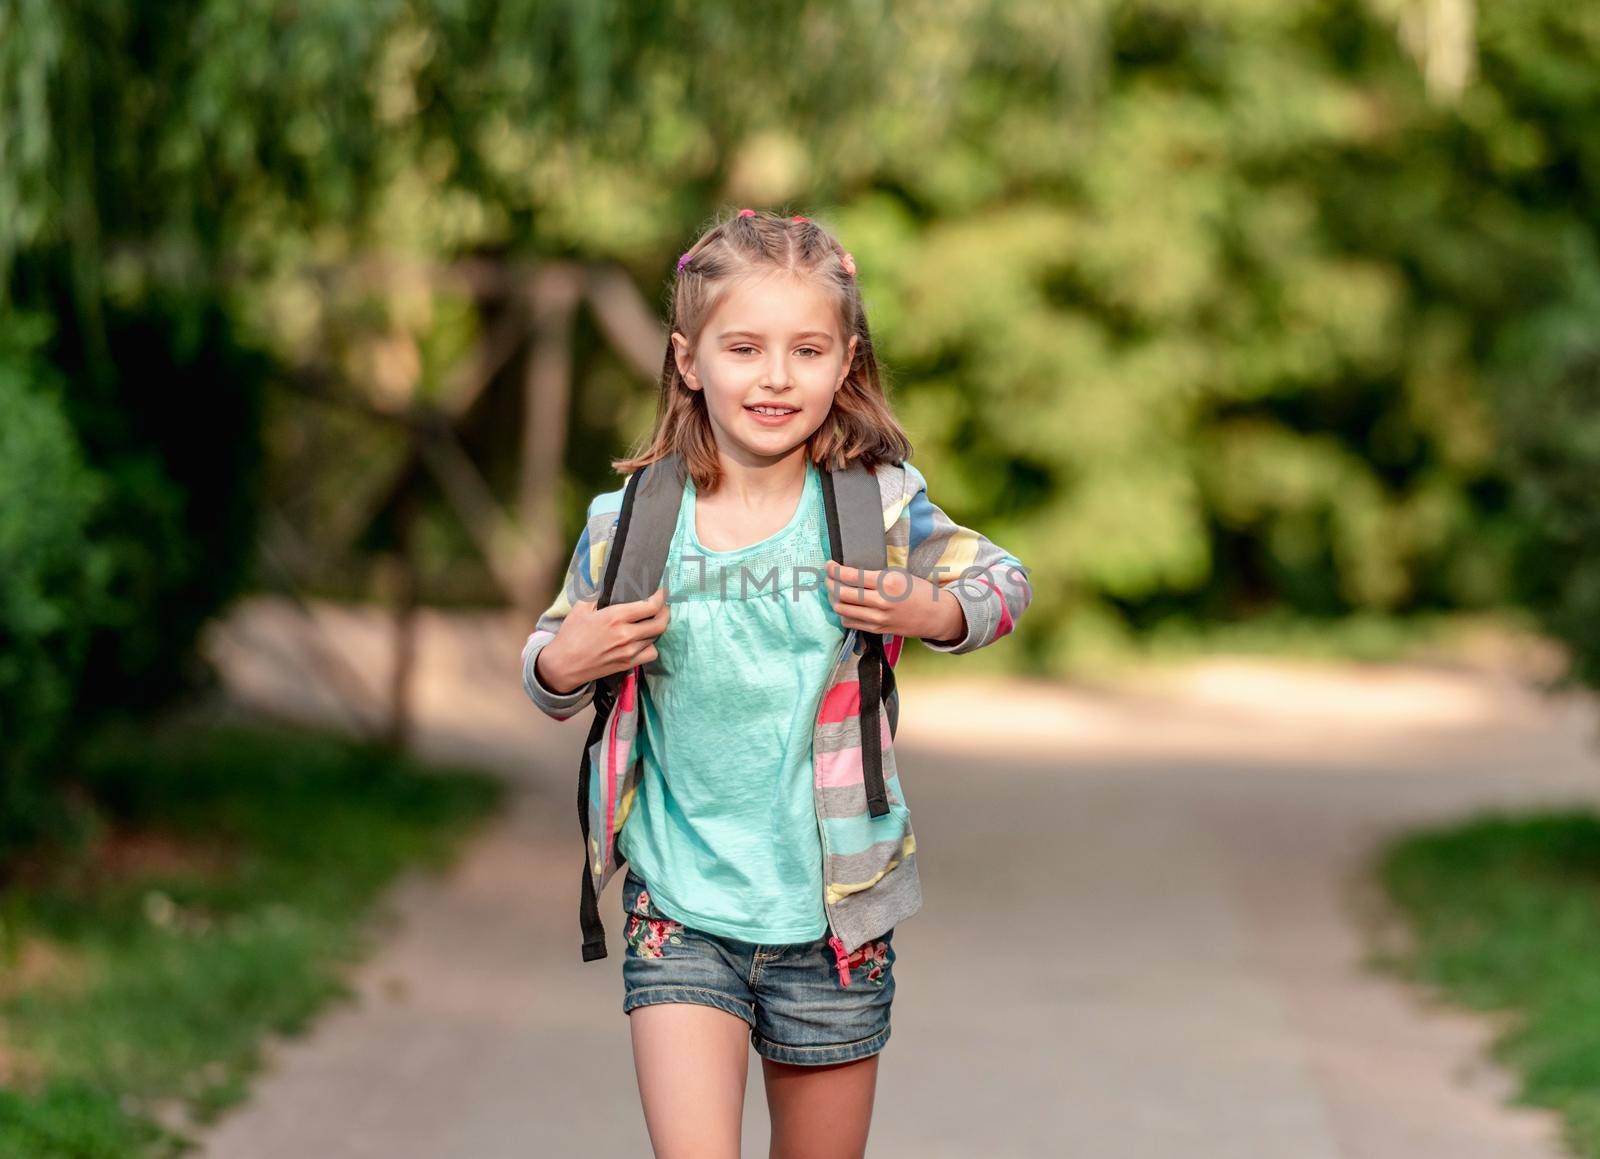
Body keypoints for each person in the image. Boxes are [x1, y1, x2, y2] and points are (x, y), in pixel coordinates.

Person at [522, 207, 1032, 1158]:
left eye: (806, 349)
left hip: (836, 921)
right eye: (744, 346)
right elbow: (549, 662)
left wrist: (935, 612)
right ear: (688, 358)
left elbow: (1004, 581)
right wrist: (567, 658)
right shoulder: (631, 519)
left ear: (845, 362)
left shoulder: (876, 503)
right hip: (679, 912)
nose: (774, 376)